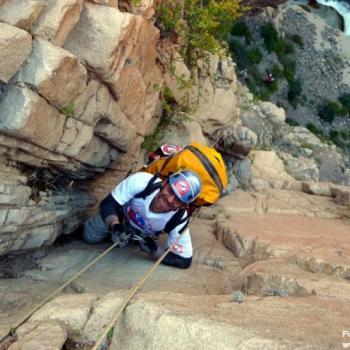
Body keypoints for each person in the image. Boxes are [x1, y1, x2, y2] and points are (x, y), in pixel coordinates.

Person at [83, 170, 202, 269]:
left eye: (177, 200)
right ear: (164, 183)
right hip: (120, 217)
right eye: (170, 191)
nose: (170, 200)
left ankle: (128, 238)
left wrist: (154, 250)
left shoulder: (179, 219)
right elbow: (108, 204)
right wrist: (115, 225)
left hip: (141, 235)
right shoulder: (142, 182)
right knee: (90, 236)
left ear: (182, 206)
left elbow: (184, 260)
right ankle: (120, 234)